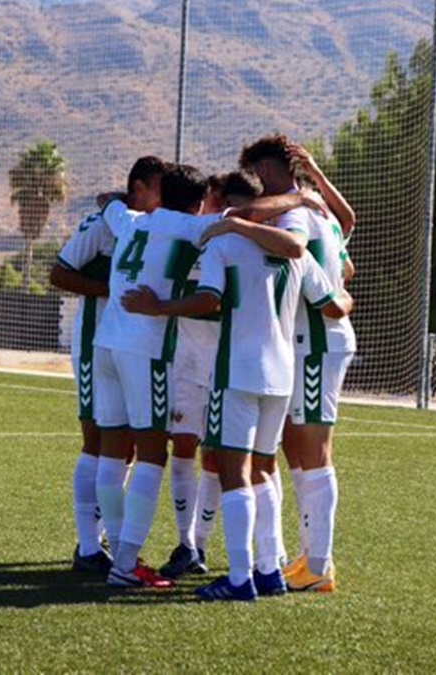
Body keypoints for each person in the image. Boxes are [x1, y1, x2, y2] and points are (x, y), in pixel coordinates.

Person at [94, 163, 319, 588]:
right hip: (146, 347)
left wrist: (114, 200)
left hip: (106, 342)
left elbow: (106, 204)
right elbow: (244, 220)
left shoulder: (132, 218)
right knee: (151, 456)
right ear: (200, 202)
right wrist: (301, 198)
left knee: (112, 451)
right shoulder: (196, 228)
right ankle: (124, 567)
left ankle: (101, 548)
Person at [122, 220, 351, 601]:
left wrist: (158, 307)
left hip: (237, 372)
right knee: (262, 468)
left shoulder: (224, 245)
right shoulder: (297, 253)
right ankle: (269, 570)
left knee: (233, 472)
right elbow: (334, 305)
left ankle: (241, 578)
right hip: (282, 375)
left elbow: (208, 299)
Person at [239, 135, 357, 593]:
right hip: (312, 341)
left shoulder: (297, 216)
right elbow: (345, 269)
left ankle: (319, 564)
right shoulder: (323, 216)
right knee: (297, 450)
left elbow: (266, 229)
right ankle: (310, 558)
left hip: (316, 343)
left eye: (255, 177)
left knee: (314, 452)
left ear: (266, 173)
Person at [49, 156, 168, 575]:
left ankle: (112, 542)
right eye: (158, 188)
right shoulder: (102, 223)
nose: (164, 198)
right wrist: (112, 290)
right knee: (97, 442)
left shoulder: (152, 226)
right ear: (137, 189)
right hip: (94, 342)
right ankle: (87, 546)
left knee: (125, 447)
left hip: (128, 345)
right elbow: (59, 273)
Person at [158, 171, 264, 580]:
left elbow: (218, 303)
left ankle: (200, 542)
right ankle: (187, 544)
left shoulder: (244, 243)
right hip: (187, 361)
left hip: (223, 365)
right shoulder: (191, 239)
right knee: (183, 449)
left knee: (217, 457)